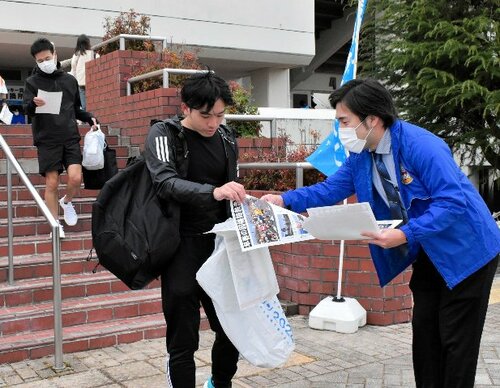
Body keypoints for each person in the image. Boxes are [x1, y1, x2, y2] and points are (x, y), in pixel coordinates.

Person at [262, 78, 500, 388]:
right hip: (428, 248)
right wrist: (284, 199)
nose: (340, 130)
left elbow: (452, 202)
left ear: (371, 119)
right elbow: (332, 188)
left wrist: (405, 234)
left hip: (468, 251)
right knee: (426, 337)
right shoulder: (363, 154)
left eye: (344, 121)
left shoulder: (422, 146)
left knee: (457, 342)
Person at [144, 72, 246, 388]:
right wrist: (212, 191)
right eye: (206, 115)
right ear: (186, 107)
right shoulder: (163, 134)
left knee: (231, 327)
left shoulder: (227, 138)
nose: (213, 122)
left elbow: (232, 188)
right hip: (180, 247)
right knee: (183, 338)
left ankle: (219, 382)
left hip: (219, 245)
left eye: (219, 114)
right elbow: (164, 182)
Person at [23, 38, 98, 238]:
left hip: (69, 137)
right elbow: (26, 109)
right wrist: (33, 105)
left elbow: (76, 109)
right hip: (47, 139)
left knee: (75, 177)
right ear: (35, 61)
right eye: (40, 61)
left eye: (47, 58)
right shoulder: (32, 82)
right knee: (52, 183)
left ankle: (66, 202)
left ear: (54, 54)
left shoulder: (69, 81)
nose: (44, 63)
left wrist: (90, 118)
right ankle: (55, 226)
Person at [67, 34, 97, 110]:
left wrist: (74, 76)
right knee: (92, 100)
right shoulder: (93, 53)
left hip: (80, 81)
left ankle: (85, 115)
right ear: (88, 43)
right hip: (91, 80)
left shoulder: (77, 54)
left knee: (83, 103)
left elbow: (73, 65)